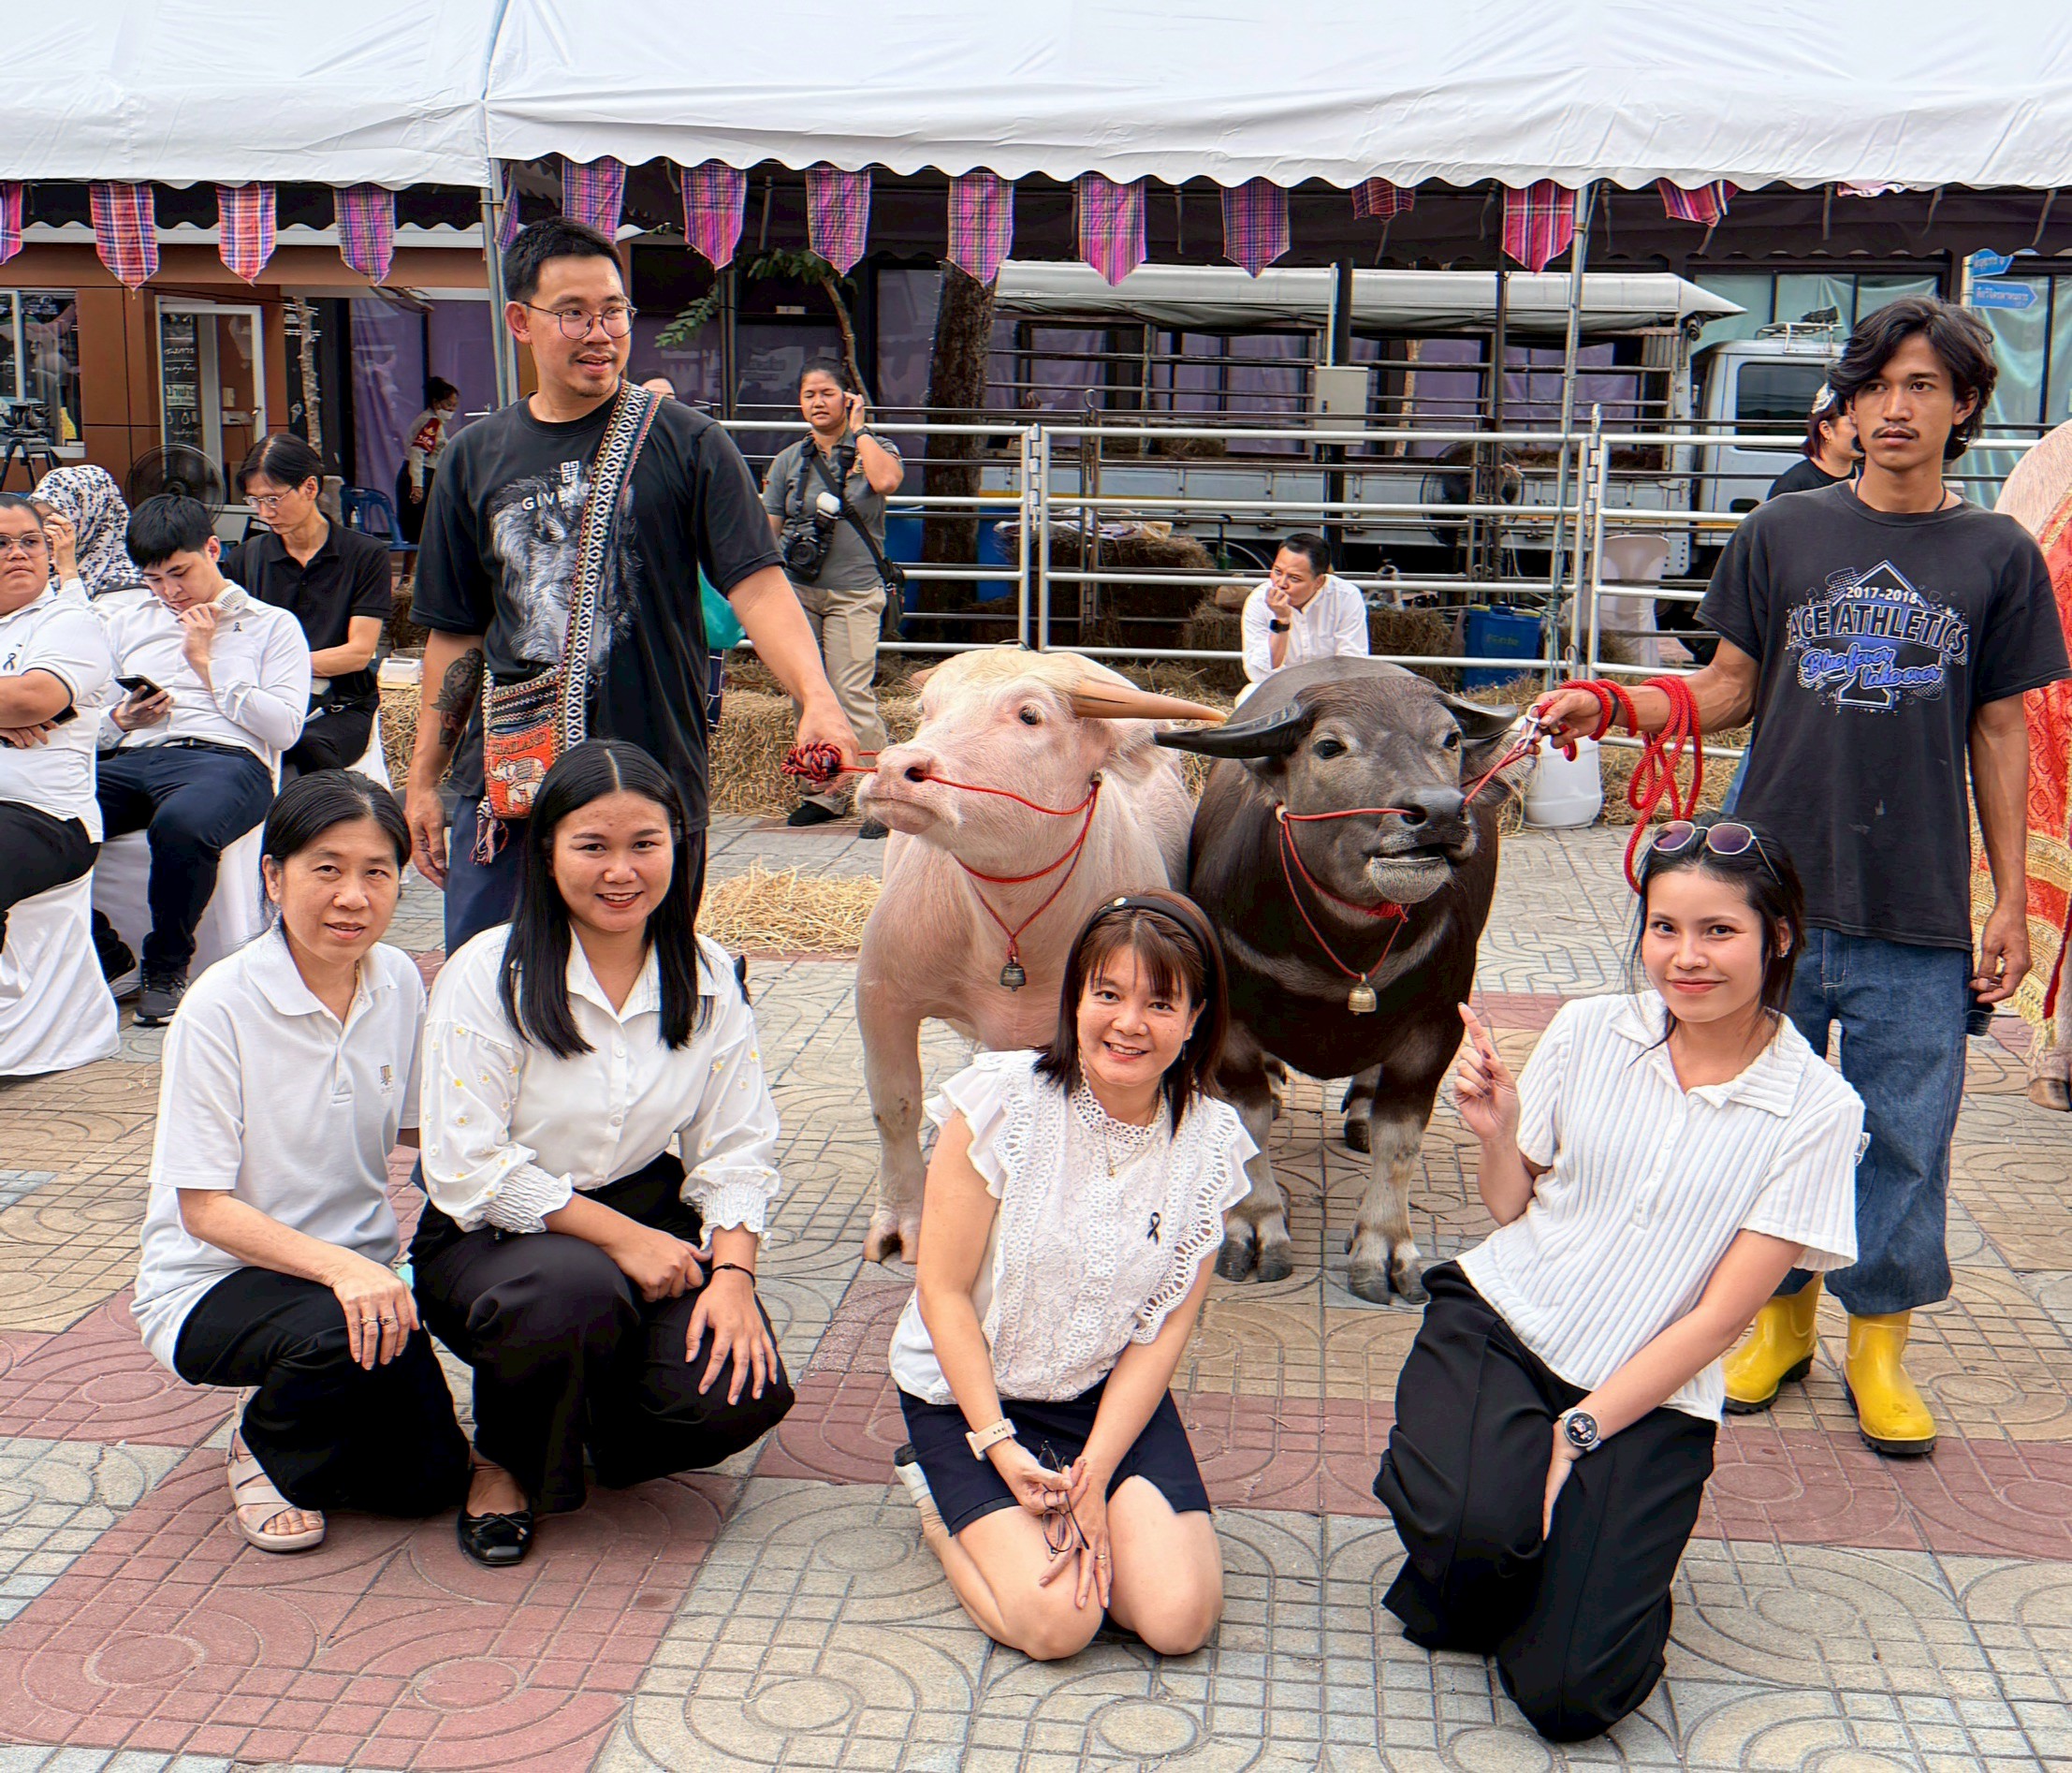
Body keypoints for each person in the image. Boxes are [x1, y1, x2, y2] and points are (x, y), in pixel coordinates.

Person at [1534, 297, 2072, 1457]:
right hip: (1765, 897)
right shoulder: (1782, 531)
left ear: (1966, 406)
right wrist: (1612, 702)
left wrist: (2007, 903)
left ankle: (1880, 1346)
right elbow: (1728, 688)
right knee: (1761, 1121)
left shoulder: (1997, 554)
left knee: (1905, 1134)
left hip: (1917, 902)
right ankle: (1776, 1325)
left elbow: (1999, 731)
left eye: (1923, 386)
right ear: (1849, 405)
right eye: (1875, 385)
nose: (1895, 407)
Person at [1376, 814, 1861, 1741]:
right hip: (1505, 1323)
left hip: (1655, 1390)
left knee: (1570, 1696)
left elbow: (1721, 1318)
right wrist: (1497, 1132)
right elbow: (1511, 1208)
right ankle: (1502, 1534)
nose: (1687, 957)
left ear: (1779, 937)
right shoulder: (1588, 1028)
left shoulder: (1818, 1109)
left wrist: (1580, 1430)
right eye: (1665, 927)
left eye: (1719, 931)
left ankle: (1569, 1561)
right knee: (1473, 1539)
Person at [407, 218, 858, 956]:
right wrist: (426, 778)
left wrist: (817, 699)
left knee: (644, 993)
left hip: (648, 781)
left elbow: (757, 584)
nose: (600, 334)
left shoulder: (689, 442)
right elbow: (454, 630)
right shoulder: (471, 457)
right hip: (510, 785)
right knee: (491, 988)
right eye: (573, 313)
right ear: (520, 321)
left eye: (613, 311)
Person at [410, 739, 795, 1568]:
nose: (621, 871)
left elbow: (736, 1146)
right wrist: (623, 1241)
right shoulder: (489, 972)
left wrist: (734, 1277)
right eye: (592, 846)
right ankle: (503, 1458)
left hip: (646, 1210)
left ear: (678, 847)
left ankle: (568, 1404)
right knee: (570, 1289)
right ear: (547, 851)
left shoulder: (707, 975)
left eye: (644, 844)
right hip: (494, 1239)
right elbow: (465, 1167)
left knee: (737, 1394)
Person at [887, 892, 1249, 1662]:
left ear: (1196, 1019)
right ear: (1075, 998)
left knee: (1178, 1620)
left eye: (1160, 1003)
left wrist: (1097, 1474)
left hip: (1100, 1395)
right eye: (1107, 994)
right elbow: (941, 1293)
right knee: (1060, 1625)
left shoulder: (1211, 1143)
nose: (1129, 1023)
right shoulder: (1001, 1103)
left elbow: (1164, 1330)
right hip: (971, 1397)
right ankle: (938, 1508)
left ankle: (1074, 1514)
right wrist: (999, 1444)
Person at [132, 772, 469, 1552]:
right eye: (327, 869)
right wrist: (344, 1270)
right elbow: (202, 1209)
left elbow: (425, 1130)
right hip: (215, 1283)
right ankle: (262, 1442)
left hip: (360, 1282)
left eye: (376, 872)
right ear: (274, 876)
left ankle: (319, 1399)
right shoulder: (221, 1006)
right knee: (334, 1335)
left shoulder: (397, 981)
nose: (352, 896)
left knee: (429, 1484)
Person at [94, 495, 311, 1024]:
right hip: (136, 755)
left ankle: (166, 966)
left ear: (213, 549)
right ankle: (108, 951)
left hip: (228, 761)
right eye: (153, 579)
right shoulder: (126, 623)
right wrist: (121, 718)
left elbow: (285, 729)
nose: (170, 592)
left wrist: (207, 663)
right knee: (41, 813)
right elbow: (90, 716)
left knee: (183, 825)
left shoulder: (271, 624)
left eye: (179, 573)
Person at [761, 360, 903, 836]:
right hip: (798, 590)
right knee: (807, 692)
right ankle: (823, 792)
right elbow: (770, 527)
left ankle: (879, 795)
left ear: (848, 398)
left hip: (855, 592)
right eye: (809, 394)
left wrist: (860, 431)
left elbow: (886, 482)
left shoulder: (874, 449)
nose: (817, 402)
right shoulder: (789, 460)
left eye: (827, 392)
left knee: (850, 691)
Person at [226, 434, 393, 776]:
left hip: (342, 704)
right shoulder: (245, 560)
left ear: (310, 487)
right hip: (267, 701)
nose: (264, 512)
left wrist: (281, 667)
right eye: (255, 501)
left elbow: (358, 653)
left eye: (273, 499)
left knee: (307, 746)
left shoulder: (365, 555)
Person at [0, 493, 115, 957]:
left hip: (46, 816)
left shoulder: (69, 620)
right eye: (1, 543)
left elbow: (33, 699)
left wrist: (13, 708)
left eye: (30, 541)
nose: (18, 553)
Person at [1237, 533, 1369, 704]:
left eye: (1294, 578)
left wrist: (1319, 695)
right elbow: (1258, 674)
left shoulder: (1346, 596)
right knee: (1247, 698)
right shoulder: (1258, 600)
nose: (1281, 583)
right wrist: (1281, 621)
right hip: (1279, 690)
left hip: (1332, 692)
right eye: (1277, 572)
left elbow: (1352, 664)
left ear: (1318, 582)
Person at [29, 464, 145, 603]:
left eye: (52, 519)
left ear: (89, 519)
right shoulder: (47, 572)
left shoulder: (125, 583)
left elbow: (77, 616)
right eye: (39, 520)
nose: (44, 530)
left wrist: (68, 570)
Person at [395, 376, 460, 547]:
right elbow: (417, 453)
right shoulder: (431, 423)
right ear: (436, 403)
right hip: (419, 476)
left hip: (423, 475)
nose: (451, 410)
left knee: (418, 536)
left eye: (454, 406)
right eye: (448, 405)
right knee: (419, 533)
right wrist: (417, 485)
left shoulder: (435, 422)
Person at [1767, 382, 1860, 500]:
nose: (1863, 432)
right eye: (1854, 425)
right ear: (1826, 429)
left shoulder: (1867, 479)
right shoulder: (1793, 487)